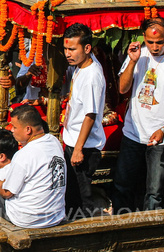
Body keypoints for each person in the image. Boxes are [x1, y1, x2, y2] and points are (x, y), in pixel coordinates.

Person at [113, 17, 164, 213]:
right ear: (143, 38)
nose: (155, 47)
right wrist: (132, 62)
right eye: (150, 42)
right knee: (123, 183)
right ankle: (121, 227)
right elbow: (123, 89)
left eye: (159, 42)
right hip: (133, 132)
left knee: (155, 191)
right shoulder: (139, 55)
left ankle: (149, 233)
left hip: (162, 139)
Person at [0, 104, 66, 228]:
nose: (12, 130)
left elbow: (7, 192)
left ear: (28, 130)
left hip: (28, 219)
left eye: (15, 127)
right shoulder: (54, 142)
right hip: (55, 216)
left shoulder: (24, 154)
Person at [62, 23, 106, 218]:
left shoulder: (92, 76)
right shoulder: (81, 66)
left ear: (87, 48)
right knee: (71, 191)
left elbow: (90, 115)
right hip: (73, 140)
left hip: (85, 147)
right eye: (65, 49)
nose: (67, 54)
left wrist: (78, 149)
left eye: (72, 49)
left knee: (81, 196)